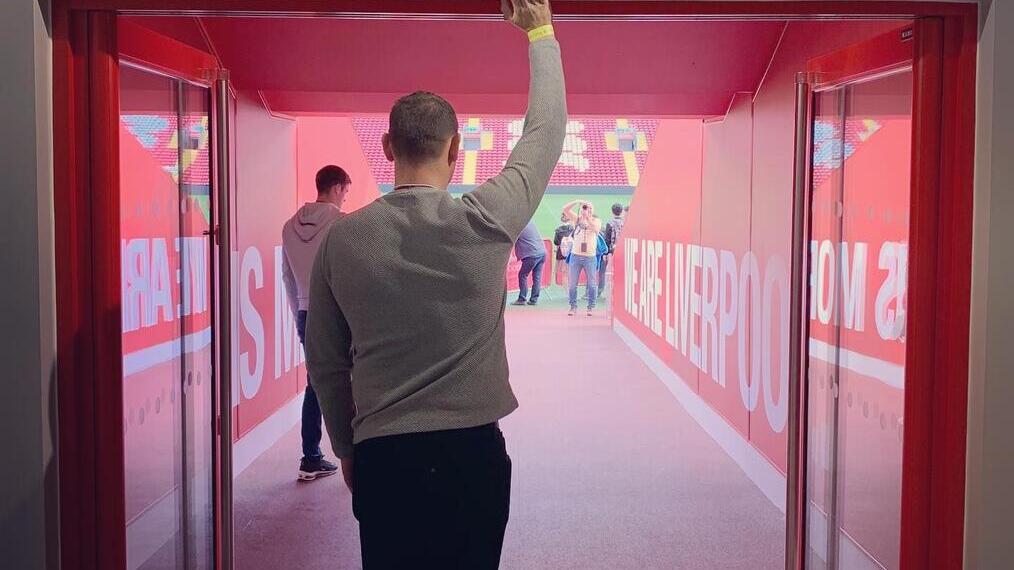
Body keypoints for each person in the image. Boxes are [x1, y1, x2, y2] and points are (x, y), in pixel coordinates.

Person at [304, 1, 565, 567]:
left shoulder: (341, 240)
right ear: (454, 149)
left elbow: (325, 362)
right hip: (472, 455)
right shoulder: (486, 218)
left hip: (384, 455)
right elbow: (545, 134)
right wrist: (540, 32)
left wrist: (346, 448)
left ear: (387, 147)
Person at [281, 165, 350, 481]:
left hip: (306, 312)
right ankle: (354, 453)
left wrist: (300, 311)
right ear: (337, 187)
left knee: (315, 382)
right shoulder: (341, 224)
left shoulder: (288, 227)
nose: (345, 198)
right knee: (352, 380)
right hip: (337, 311)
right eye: (345, 191)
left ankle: (311, 456)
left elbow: (287, 277)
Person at [562, 199, 602, 315]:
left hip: (590, 257)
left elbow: (596, 229)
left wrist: (588, 217)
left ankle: (591, 307)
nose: (587, 209)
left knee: (592, 284)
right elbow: (565, 209)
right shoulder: (577, 219)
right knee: (572, 284)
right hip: (576, 256)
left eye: (589, 208)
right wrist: (577, 201)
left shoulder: (596, 221)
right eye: (585, 207)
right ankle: (573, 306)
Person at [512, 220, 546, 305]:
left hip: (531, 254)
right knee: (537, 277)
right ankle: (534, 299)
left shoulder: (518, 226)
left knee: (523, 275)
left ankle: (522, 299)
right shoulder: (529, 221)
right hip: (542, 252)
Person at [598, 202, 625, 298]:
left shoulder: (610, 223)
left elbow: (607, 239)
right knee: (620, 271)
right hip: (623, 250)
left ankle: (604, 291)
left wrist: (606, 253)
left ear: (612, 212)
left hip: (612, 251)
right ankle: (620, 291)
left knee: (607, 271)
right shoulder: (625, 222)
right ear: (621, 211)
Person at [552, 213, 574, 287]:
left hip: (560, 253)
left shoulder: (558, 231)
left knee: (556, 270)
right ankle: (568, 289)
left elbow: (556, 243)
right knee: (567, 273)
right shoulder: (573, 229)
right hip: (571, 253)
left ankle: (554, 284)